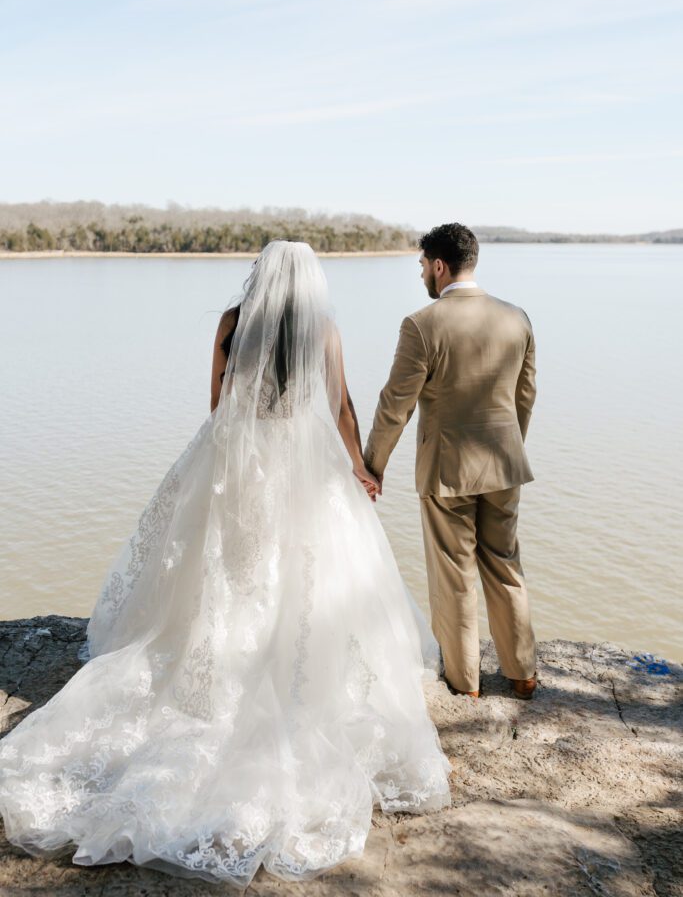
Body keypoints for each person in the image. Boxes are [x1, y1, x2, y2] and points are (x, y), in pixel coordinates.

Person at [0, 241, 452, 888]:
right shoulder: (322, 329)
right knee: (303, 572)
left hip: (237, 459)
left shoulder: (232, 322)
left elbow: (217, 404)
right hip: (301, 464)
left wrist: (236, 454)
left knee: (229, 573)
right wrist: (359, 467)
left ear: (259, 275)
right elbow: (342, 405)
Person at [364, 223, 538, 700]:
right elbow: (525, 397)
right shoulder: (516, 317)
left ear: (439, 266)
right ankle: (522, 674)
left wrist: (372, 465)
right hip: (505, 463)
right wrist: (509, 449)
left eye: (422, 265)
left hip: (447, 470)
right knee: (505, 563)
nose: (421, 273)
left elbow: (394, 405)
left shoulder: (422, 324)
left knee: (454, 575)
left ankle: (466, 686)